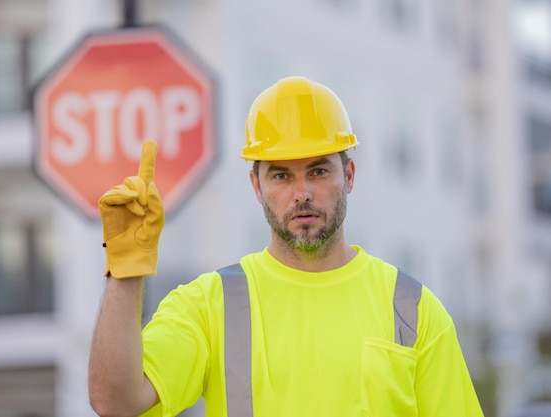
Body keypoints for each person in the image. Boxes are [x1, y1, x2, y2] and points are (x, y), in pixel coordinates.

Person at [88, 76, 485, 417]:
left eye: (318, 170)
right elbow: (115, 402)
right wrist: (124, 270)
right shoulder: (212, 304)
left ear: (348, 174)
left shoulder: (411, 308)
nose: (302, 193)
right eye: (281, 175)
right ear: (256, 186)